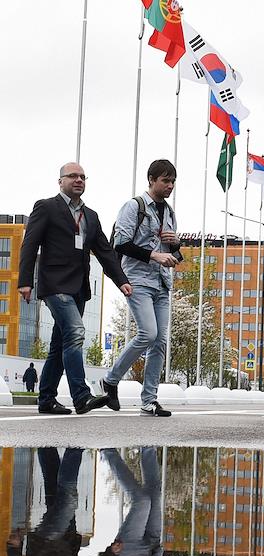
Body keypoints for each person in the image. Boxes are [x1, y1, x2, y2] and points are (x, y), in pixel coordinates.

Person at [17, 162, 132, 415]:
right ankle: (81, 396)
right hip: (54, 284)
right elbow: (30, 244)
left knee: (60, 344)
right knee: (76, 331)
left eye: (82, 177)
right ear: (61, 181)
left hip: (79, 288)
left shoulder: (91, 215)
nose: (78, 180)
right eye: (72, 176)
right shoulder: (46, 207)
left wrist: (121, 280)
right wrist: (25, 281)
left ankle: (46, 399)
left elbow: (104, 251)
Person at [102, 159, 182, 418]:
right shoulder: (134, 206)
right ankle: (110, 379)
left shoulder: (169, 213)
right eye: (165, 180)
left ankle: (149, 400)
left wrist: (175, 245)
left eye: (173, 181)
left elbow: (175, 256)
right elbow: (121, 243)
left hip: (162, 283)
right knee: (148, 333)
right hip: (138, 279)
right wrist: (155, 256)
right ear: (151, 180)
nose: (170, 186)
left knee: (159, 342)